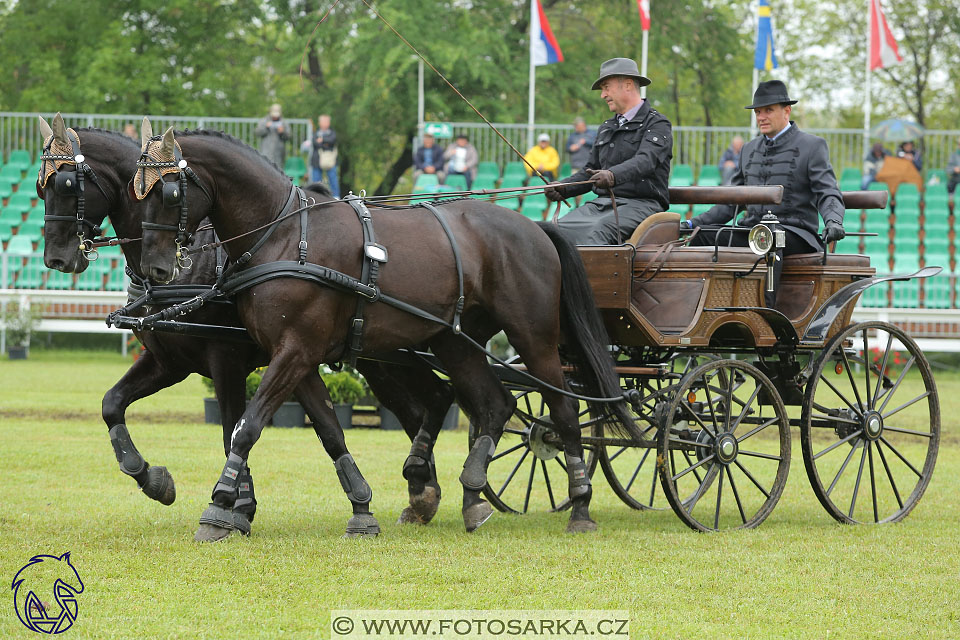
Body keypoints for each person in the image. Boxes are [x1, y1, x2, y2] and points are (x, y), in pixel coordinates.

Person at [684, 80, 845, 308]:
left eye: (768, 110)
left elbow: (827, 191)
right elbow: (731, 202)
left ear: (786, 111)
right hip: (753, 230)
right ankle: (704, 310)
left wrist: (834, 221)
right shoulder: (749, 150)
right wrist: (693, 224)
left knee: (769, 234)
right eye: (758, 111)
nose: (761, 117)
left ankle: (764, 315)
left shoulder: (813, 146)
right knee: (703, 236)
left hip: (796, 234)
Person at [544, 57, 672, 245]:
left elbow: (646, 161)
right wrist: (563, 188)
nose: (603, 95)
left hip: (643, 204)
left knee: (594, 233)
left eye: (606, 87)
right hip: (602, 205)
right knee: (552, 232)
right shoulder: (607, 127)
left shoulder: (657, 124)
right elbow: (590, 170)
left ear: (628, 85)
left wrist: (612, 175)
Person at [304, 114, 339, 198]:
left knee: (333, 179)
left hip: (330, 161)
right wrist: (326, 144)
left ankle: (336, 196)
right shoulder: (316, 133)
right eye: (322, 121)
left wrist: (322, 140)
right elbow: (315, 143)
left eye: (326, 121)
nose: (324, 123)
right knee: (316, 181)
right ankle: (316, 197)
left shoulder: (332, 133)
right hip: (316, 160)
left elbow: (332, 141)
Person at [255, 103, 290, 169]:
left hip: (279, 154)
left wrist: (282, 132)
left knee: (278, 172)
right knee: (264, 170)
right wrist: (266, 128)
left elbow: (288, 136)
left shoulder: (284, 122)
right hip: (265, 152)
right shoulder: (264, 121)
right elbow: (257, 133)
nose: (275, 117)